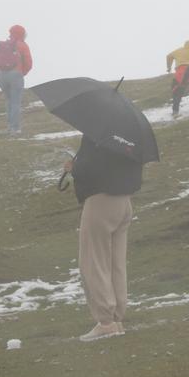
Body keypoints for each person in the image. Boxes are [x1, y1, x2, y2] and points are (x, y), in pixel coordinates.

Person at [64, 137, 143, 341]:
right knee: (115, 263)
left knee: (94, 261)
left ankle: (105, 322)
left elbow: (91, 168)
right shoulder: (125, 135)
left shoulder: (96, 135)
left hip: (101, 200)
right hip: (124, 200)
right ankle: (116, 319)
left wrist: (73, 168)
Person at [0, 25, 33, 134]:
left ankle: (9, 126)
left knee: (9, 100)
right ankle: (15, 128)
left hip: (1, 76)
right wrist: (21, 73)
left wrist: (1, 71)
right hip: (15, 75)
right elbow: (29, 63)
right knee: (15, 102)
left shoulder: (3, 45)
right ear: (21, 34)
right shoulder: (22, 45)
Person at [165, 39, 189, 118]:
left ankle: (175, 111)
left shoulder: (178, 50)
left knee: (177, 91)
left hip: (180, 72)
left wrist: (169, 67)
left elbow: (168, 56)